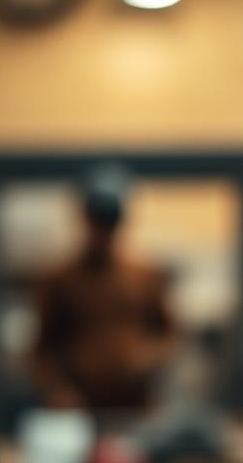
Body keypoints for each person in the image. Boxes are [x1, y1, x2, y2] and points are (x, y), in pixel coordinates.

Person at [32, 166, 177, 412]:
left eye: (111, 222)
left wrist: (150, 359)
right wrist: (58, 390)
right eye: (99, 221)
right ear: (86, 219)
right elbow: (42, 349)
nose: (104, 232)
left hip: (134, 406)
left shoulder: (143, 275)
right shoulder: (61, 279)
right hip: (81, 407)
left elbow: (169, 335)